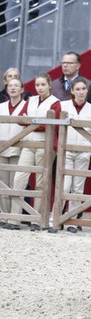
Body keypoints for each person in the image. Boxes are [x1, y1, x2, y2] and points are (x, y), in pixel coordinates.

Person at [6, 73, 61, 231]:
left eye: (43, 84)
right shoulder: (31, 100)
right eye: (37, 85)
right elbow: (19, 118)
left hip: (46, 145)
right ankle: (15, 218)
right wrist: (35, 122)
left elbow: (52, 126)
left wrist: (30, 120)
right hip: (29, 143)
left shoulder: (55, 103)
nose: (40, 88)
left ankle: (37, 220)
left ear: (49, 85)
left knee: (40, 183)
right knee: (19, 179)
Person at [58, 77, 91, 232]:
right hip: (66, 151)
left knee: (77, 188)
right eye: (78, 89)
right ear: (72, 91)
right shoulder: (63, 106)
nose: (81, 92)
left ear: (87, 90)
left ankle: (72, 220)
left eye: (83, 89)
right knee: (64, 186)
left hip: (83, 152)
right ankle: (57, 217)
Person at [0, 78, 25, 224]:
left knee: (16, 184)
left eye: (16, 85)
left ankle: (15, 218)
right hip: (2, 150)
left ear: (22, 89)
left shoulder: (26, 106)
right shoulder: (1, 106)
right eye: (10, 86)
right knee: (3, 184)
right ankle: (4, 216)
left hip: (18, 149)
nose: (13, 88)